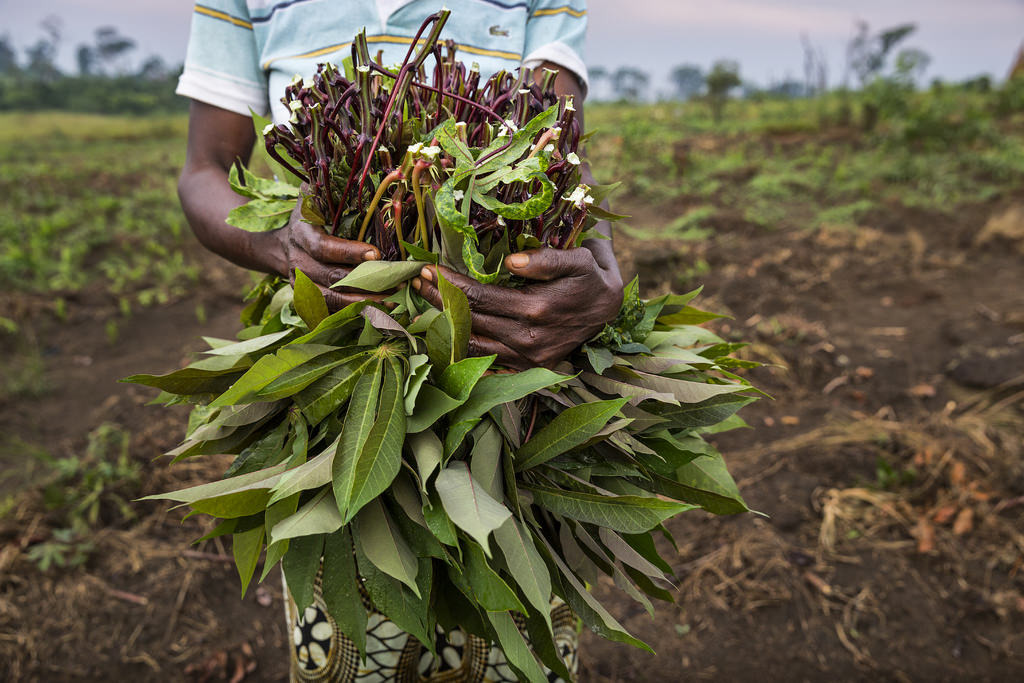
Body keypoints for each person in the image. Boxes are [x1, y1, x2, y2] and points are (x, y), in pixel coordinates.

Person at [175, 1, 621, 680]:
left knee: (515, 630)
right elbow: (204, 166)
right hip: (334, 368)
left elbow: (557, 142)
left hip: (512, 364)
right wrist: (281, 247)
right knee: (354, 642)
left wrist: (600, 264)